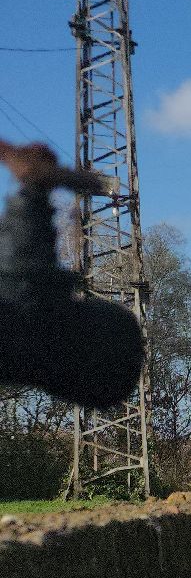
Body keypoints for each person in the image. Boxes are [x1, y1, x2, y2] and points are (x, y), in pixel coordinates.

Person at [0, 138, 145, 410]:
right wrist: (34, 193)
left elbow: (26, 287)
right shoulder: (24, 355)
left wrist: (33, 190)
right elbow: (25, 283)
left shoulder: (26, 325)